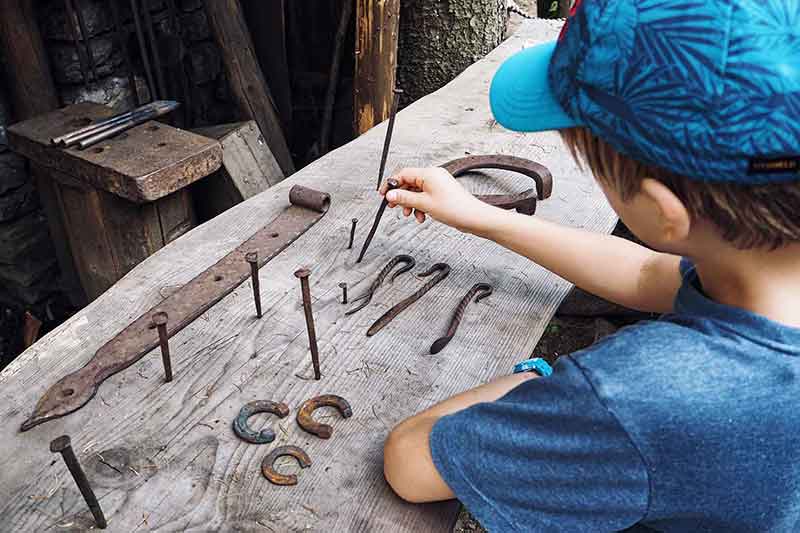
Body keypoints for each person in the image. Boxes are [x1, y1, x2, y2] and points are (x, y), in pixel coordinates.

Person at [380, 1, 800, 531]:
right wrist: (482, 218)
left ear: (659, 210)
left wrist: (564, 393)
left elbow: (413, 461)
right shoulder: (763, 272)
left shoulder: (643, 398)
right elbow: (652, 275)